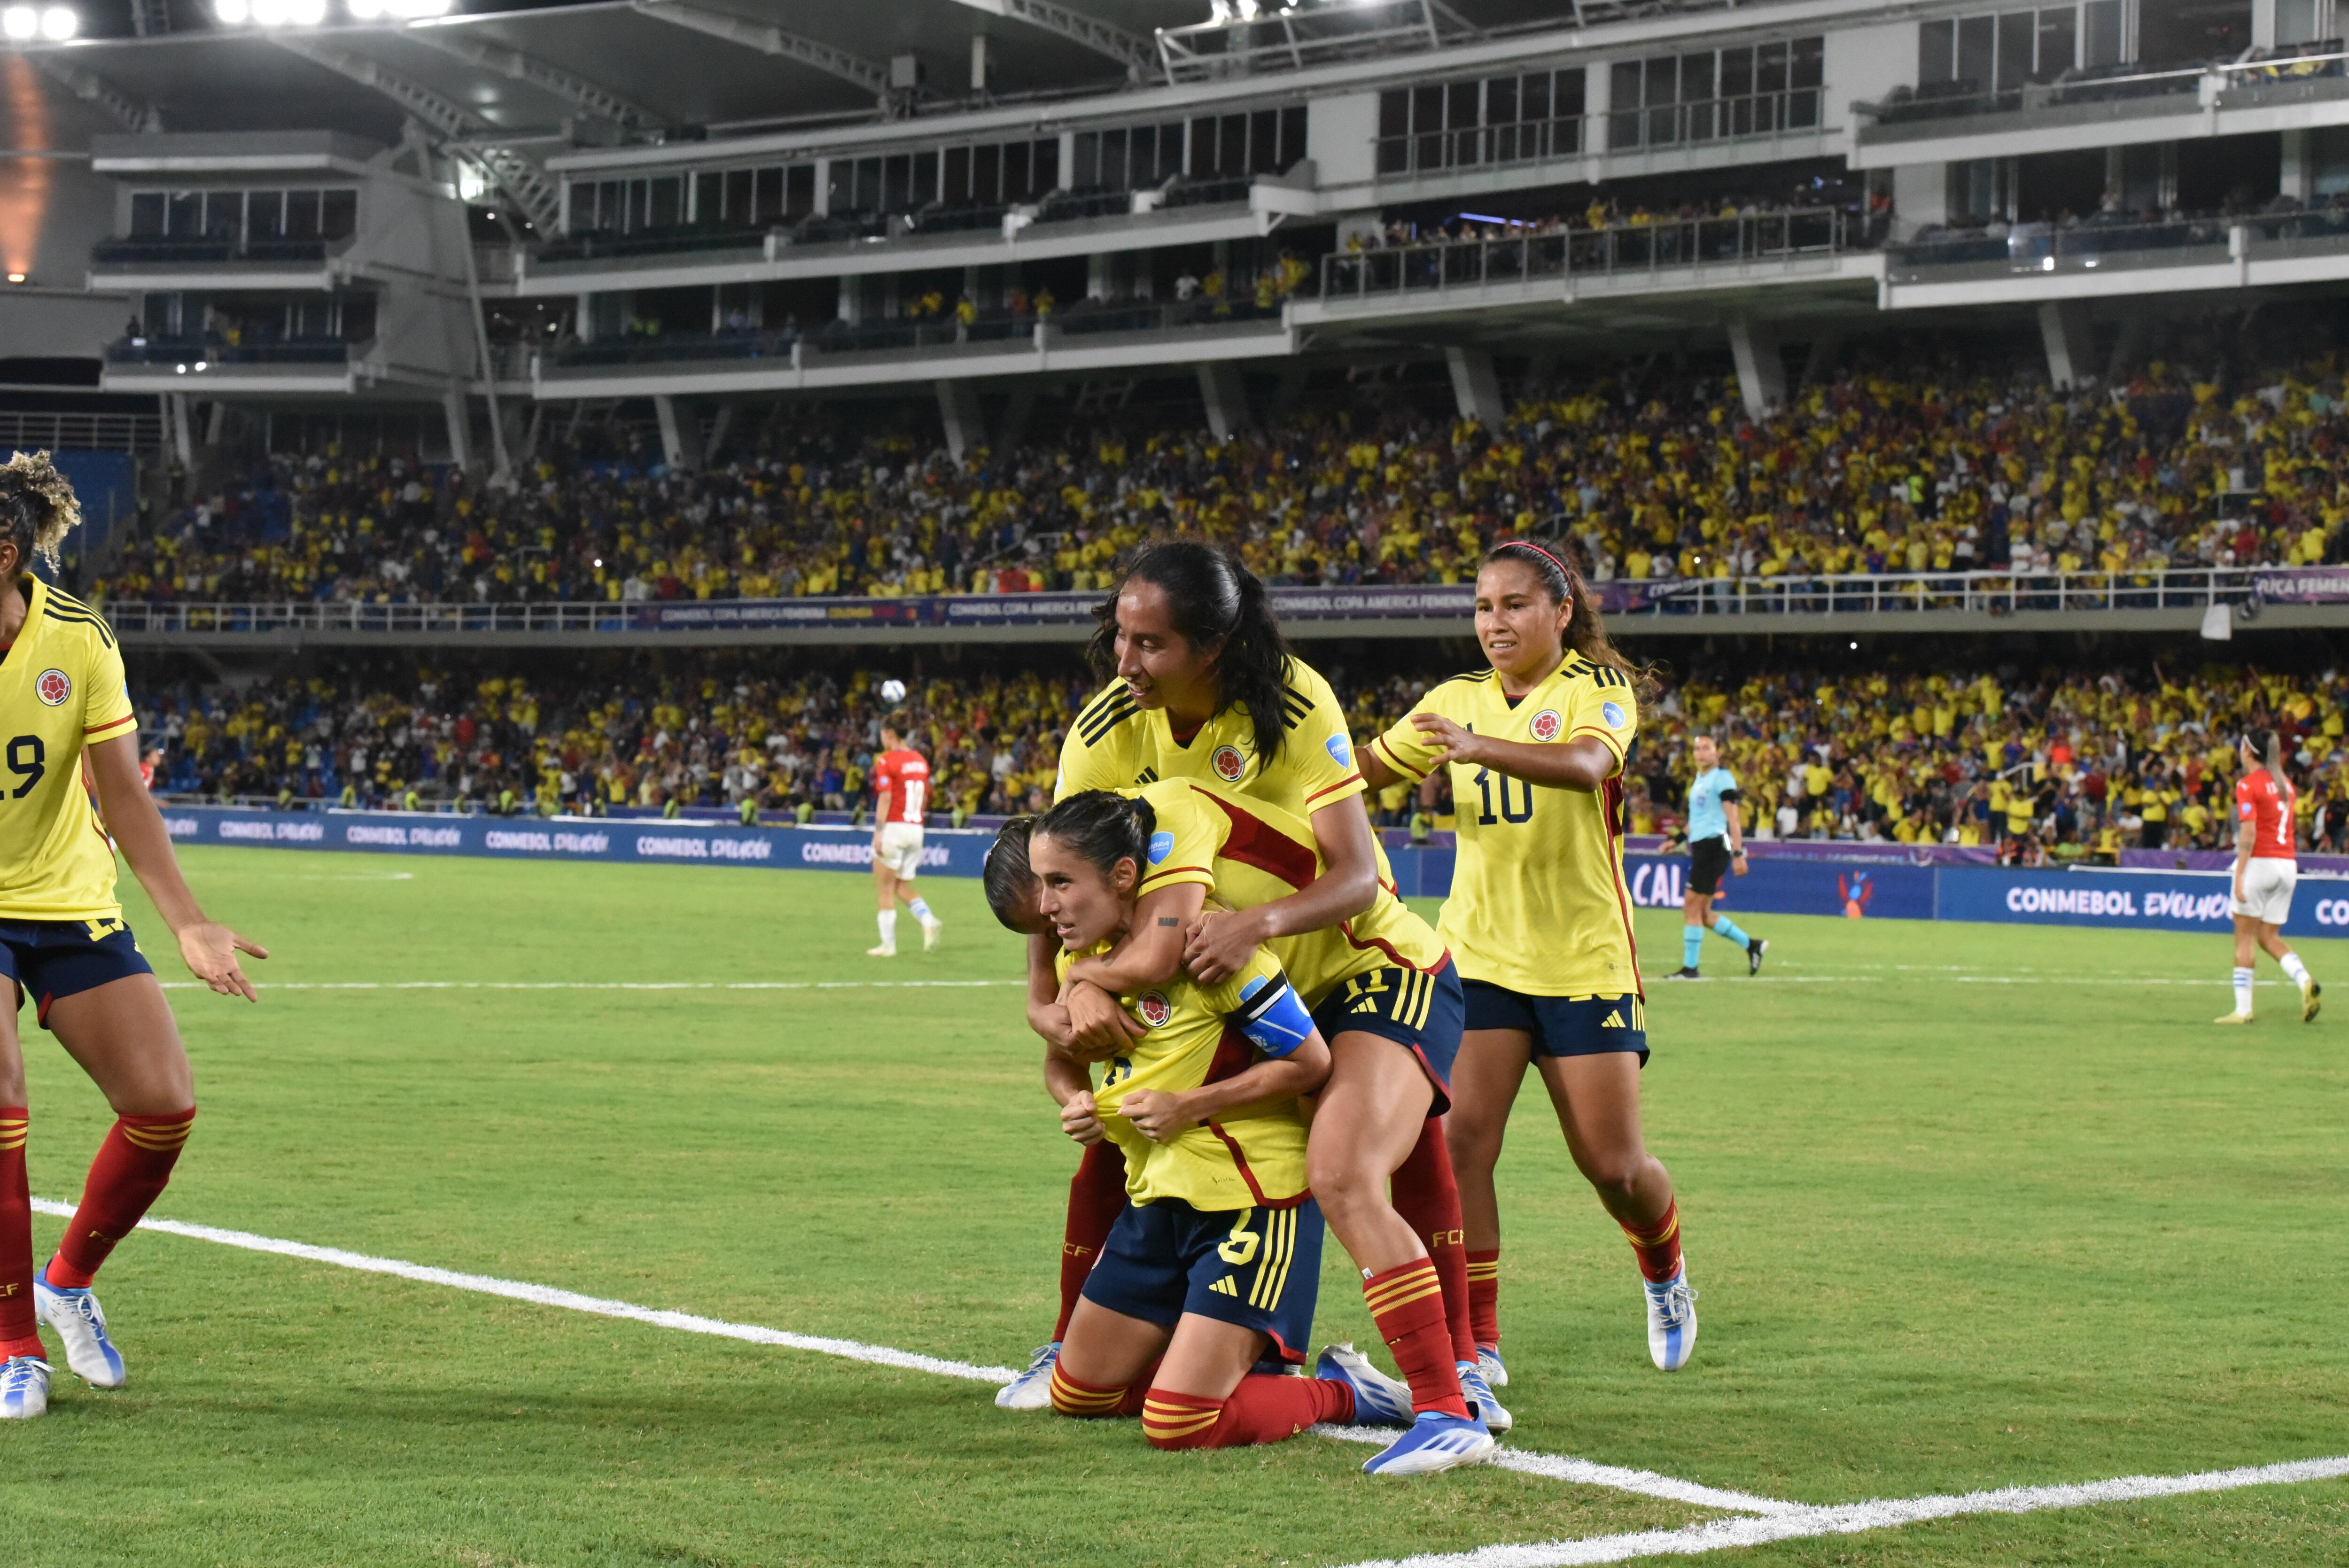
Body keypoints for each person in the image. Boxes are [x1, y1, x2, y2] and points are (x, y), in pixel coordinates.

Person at [999, 542, 1484, 1442]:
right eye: (1119, 636)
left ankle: (1456, 1373)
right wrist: (1070, 993)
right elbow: (1059, 879)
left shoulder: (1293, 702)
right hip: (1226, 976)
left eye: (1150, 644)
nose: (1124, 661)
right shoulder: (1106, 726)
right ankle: (1079, 1343)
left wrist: (1251, 926)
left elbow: (1355, 879)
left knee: (1357, 1160)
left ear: (1213, 644)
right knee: (1120, 1128)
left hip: (1356, 963)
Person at [988, 777, 1502, 1473]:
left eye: (1059, 884)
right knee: (1079, 1393)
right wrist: (1072, 1098)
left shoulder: (1216, 950)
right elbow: (1060, 1061)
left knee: (1177, 1422)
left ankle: (1345, 1393)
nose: (1047, 908)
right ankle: (1211, 1359)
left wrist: (1188, 1106)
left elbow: (1311, 1063)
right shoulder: (1082, 964)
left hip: (1250, 1205)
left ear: (1124, 875)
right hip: (1160, 1198)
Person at [1359, 540, 1698, 1382]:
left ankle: (1665, 1273)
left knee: (1613, 1164)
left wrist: (1478, 749)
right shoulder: (1451, 699)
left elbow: (1588, 765)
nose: (1495, 622)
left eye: (1514, 605)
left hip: (1583, 959)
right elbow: (1364, 770)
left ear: (1560, 611)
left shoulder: (1598, 688)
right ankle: (1478, 1346)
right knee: (1462, 1146)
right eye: (1483, 607)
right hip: (1477, 957)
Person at [0, 452, 266, 1419]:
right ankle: (12, 1343)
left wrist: (188, 922)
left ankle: (65, 1283)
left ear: (6, 556)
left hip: (67, 896)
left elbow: (123, 794)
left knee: (163, 1105)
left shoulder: (78, 639)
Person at [2216, 727, 2320, 1025]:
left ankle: (2243, 1009)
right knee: (2268, 936)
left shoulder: (2248, 785)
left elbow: (2249, 832)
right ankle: (2305, 982)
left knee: (2244, 938)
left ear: (2248, 752)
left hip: (2260, 865)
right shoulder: (2285, 784)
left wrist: (2239, 876)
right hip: (2287, 865)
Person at [1668, 734, 1765, 979]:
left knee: (1691, 906)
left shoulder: (1723, 779)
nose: (1701, 753)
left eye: (1707, 748)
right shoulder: (1700, 780)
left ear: (1717, 753)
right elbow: (1696, 820)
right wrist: (1677, 840)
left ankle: (1691, 969)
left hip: (1714, 848)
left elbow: (1734, 820)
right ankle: (1752, 945)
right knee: (1703, 914)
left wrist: (1739, 854)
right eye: (1697, 749)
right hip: (1702, 847)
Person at [865, 710, 941, 957]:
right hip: (915, 829)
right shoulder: (920, 760)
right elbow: (925, 798)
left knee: (884, 889)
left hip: (895, 828)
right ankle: (928, 920)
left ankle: (888, 946)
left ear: (889, 734)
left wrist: (878, 833)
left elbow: (886, 797)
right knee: (901, 885)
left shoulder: (886, 761)